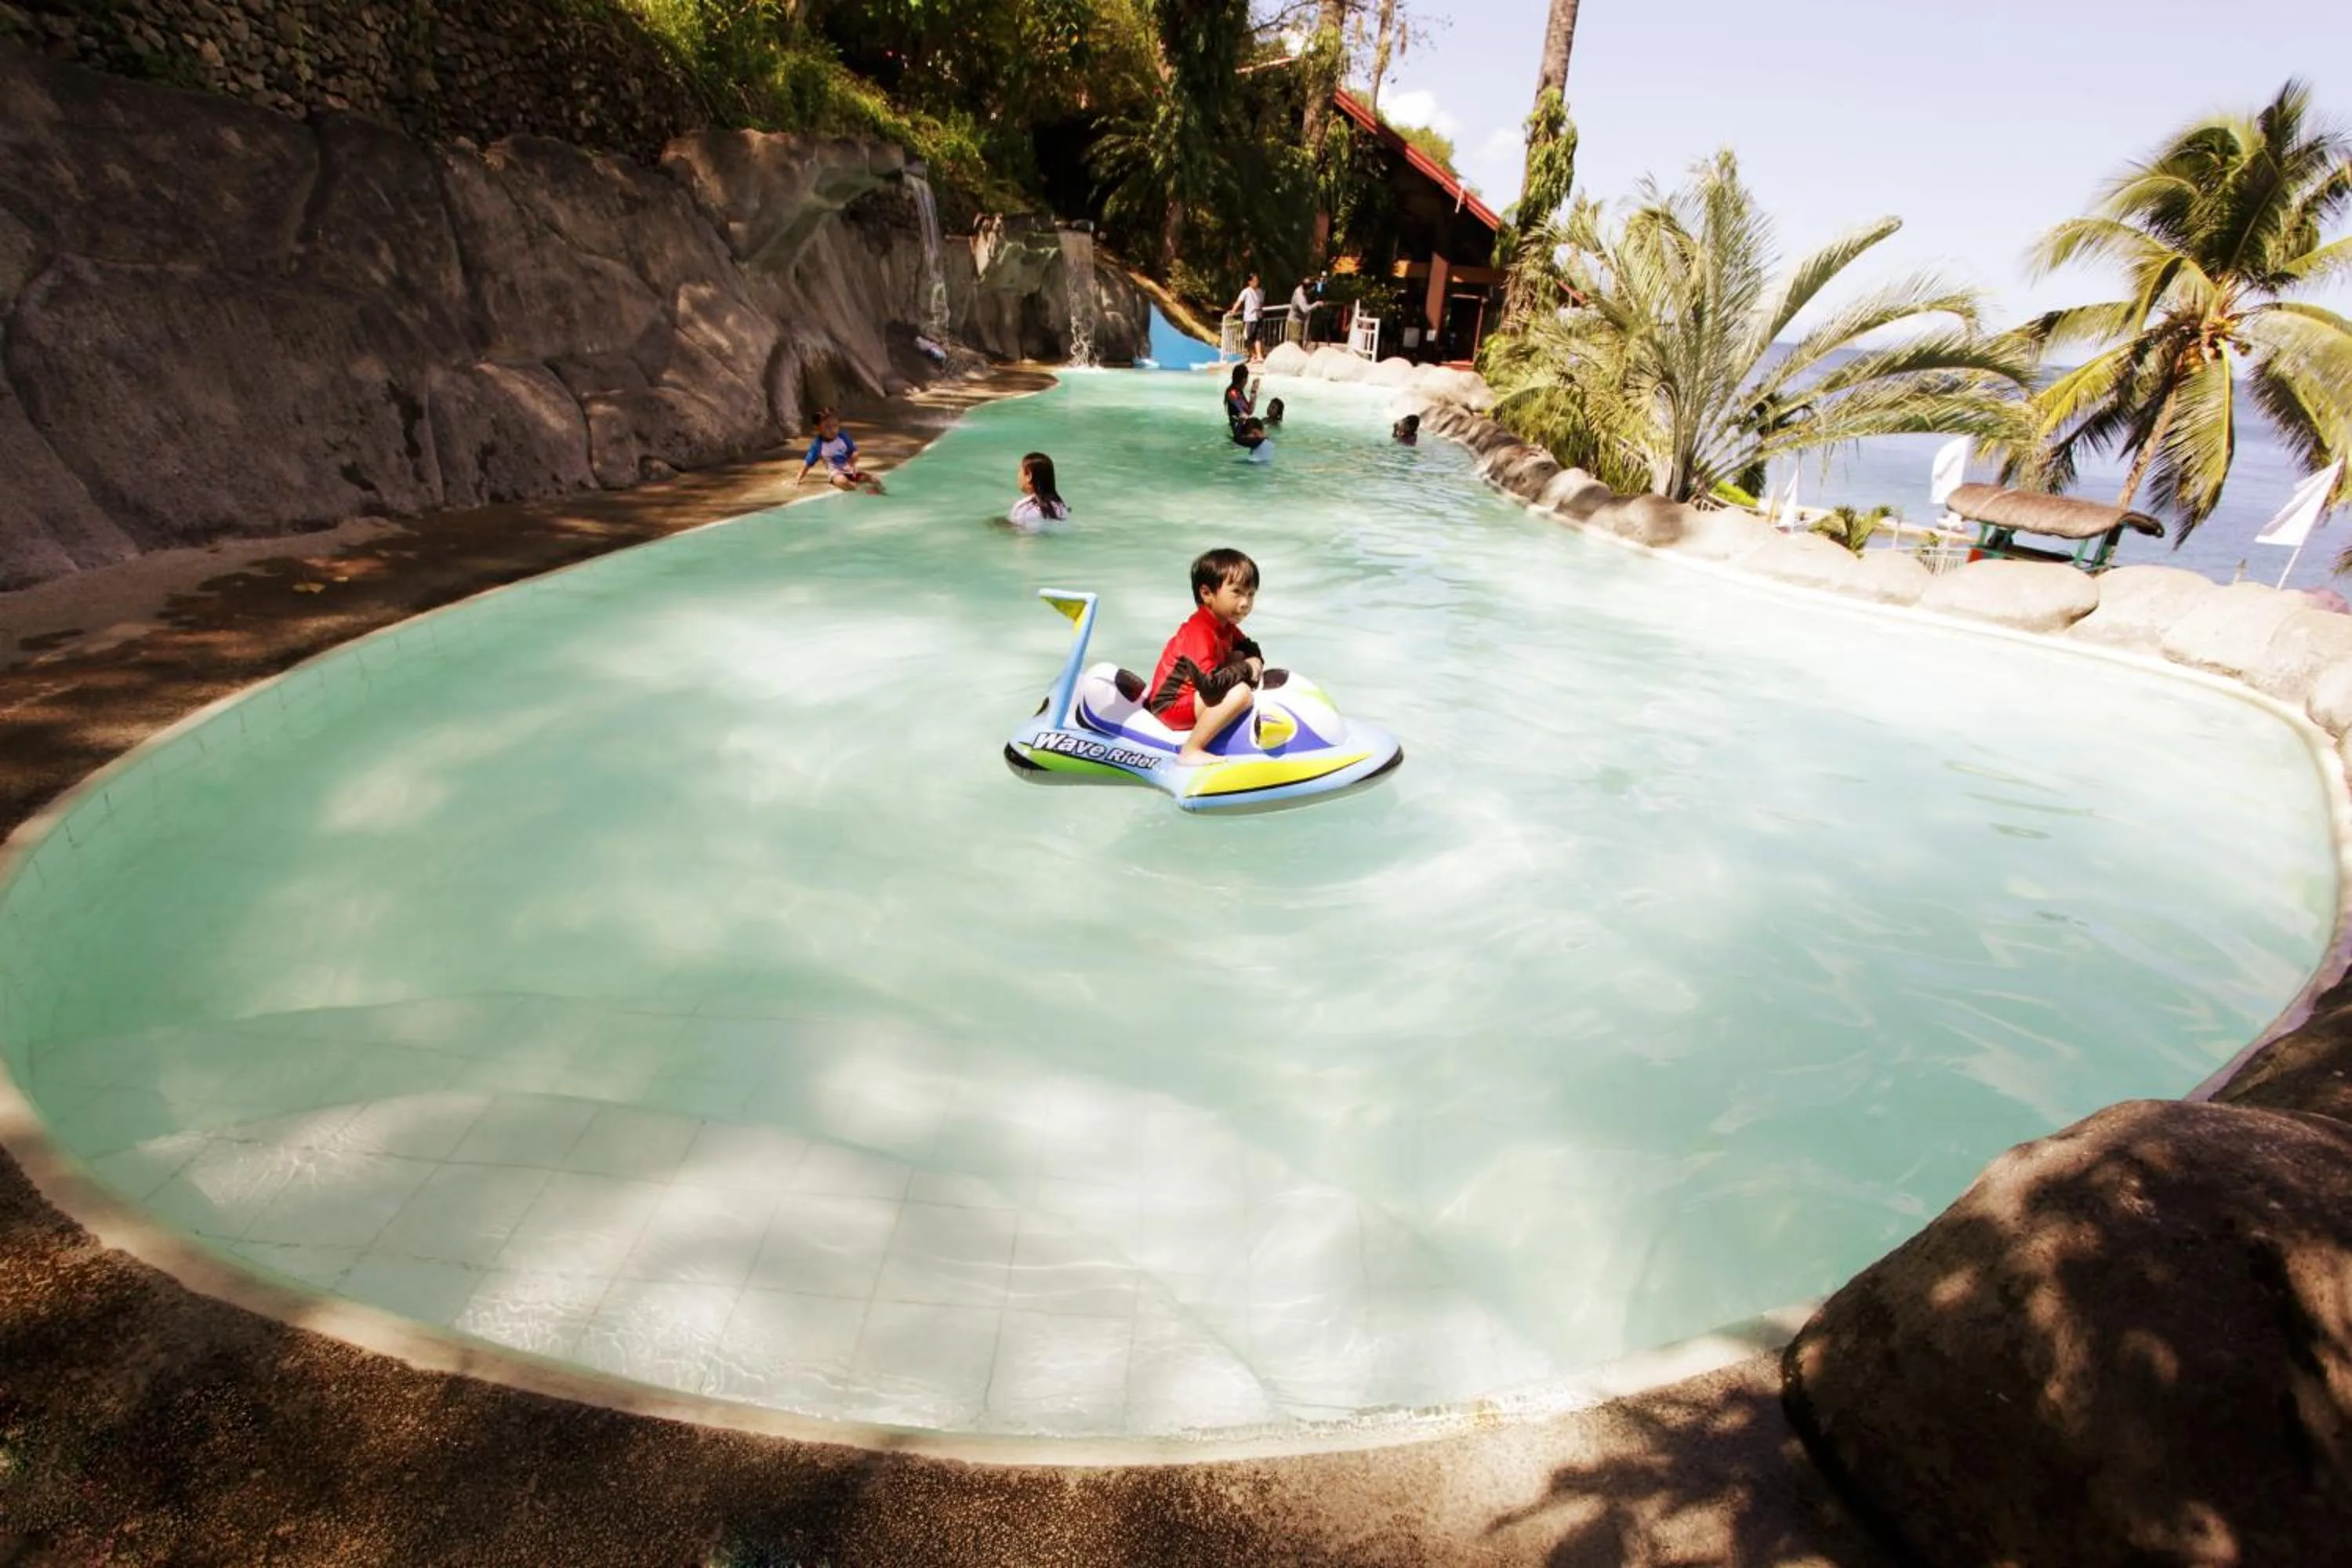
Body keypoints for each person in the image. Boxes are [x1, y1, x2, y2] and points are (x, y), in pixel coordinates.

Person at [1149, 548, 1264, 764]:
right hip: (1170, 706)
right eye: (1237, 592)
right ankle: (1191, 751)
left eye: (1251, 594)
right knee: (1241, 694)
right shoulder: (1199, 630)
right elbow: (1210, 687)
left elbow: (1251, 650)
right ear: (1207, 594)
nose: (1246, 603)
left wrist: (1251, 662)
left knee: (1239, 655)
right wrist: (1248, 669)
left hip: (1197, 695)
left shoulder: (1225, 625)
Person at [795, 408, 884, 494]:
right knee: (842, 481)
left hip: (850, 469)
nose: (833, 430)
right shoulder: (818, 444)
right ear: (818, 428)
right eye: (827, 427)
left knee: (871, 478)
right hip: (835, 473)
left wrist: (854, 457)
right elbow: (808, 462)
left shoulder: (843, 436)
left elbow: (854, 451)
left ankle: (883, 494)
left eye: (835, 426)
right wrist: (799, 478)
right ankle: (860, 491)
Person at [1007, 451, 1069, 532]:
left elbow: (1017, 533)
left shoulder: (1023, 508)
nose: (1018, 475)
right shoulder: (1062, 508)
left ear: (1029, 476)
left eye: (1020, 471)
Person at [1230, 273, 1266, 362]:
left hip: (1258, 317)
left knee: (1258, 337)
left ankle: (1259, 356)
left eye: (1257, 281)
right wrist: (1233, 310)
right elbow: (1239, 301)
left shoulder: (1260, 292)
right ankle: (1252, 355)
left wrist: (1261, 313)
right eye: (1254, 281)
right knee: (1249, 338)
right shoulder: (1246, 291)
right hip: (1249, 318)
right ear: (1249, 282)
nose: (1256, 283)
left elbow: (1261, 304)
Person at [1222, 362, 1256, 436]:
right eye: (1247, 378)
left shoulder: (1239, 391)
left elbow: (1249, 411)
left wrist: (1254, 391)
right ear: (1244, 380)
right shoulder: (1232, 393)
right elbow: (1243, 413)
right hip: (1237, 430)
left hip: (1241, 428)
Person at [1287, 278, 1314, 347]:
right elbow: (1305, 309)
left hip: (1300, 321)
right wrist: (1316, 304)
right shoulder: (1300, 295)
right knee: (1295, 346)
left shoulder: (1303, 290)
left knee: (1299, 343)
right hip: (1295, 322)